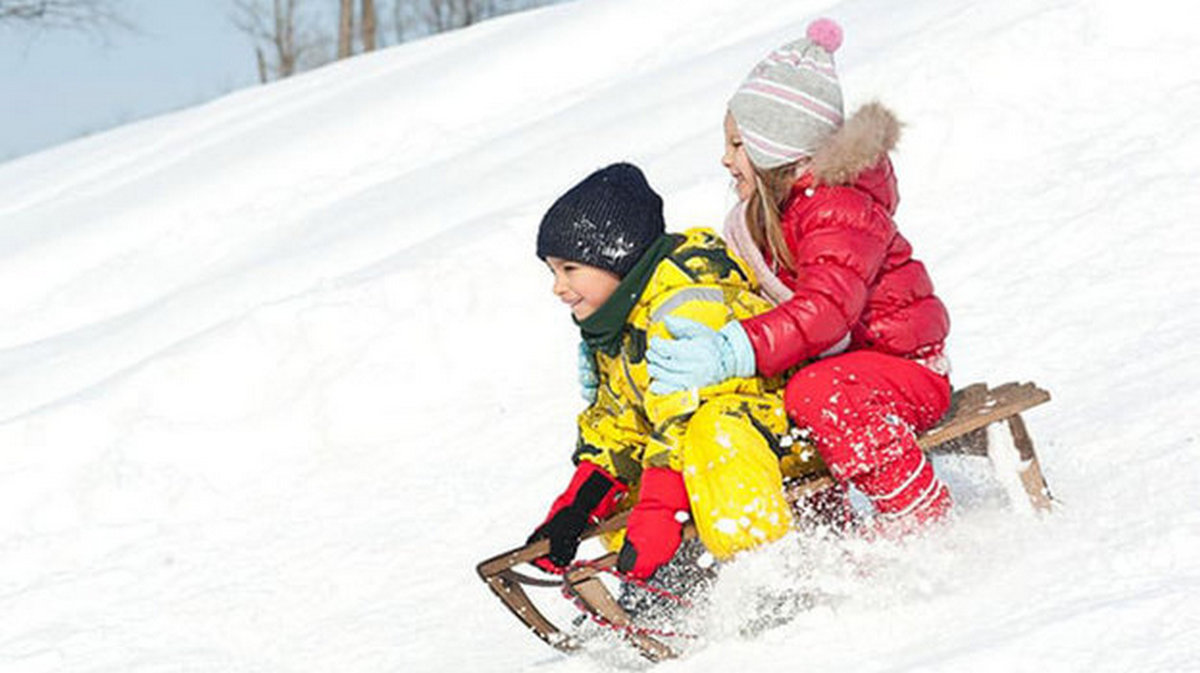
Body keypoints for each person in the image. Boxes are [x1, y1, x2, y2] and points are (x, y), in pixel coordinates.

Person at [647, 19, 954, 532]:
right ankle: (827, 536)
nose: (726, 159)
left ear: (774, 148)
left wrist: (732, 350)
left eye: (738, 145)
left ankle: (917, 515)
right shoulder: (775, 216)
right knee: (776, 400)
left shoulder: (838, 207)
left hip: (906, 371)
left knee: (813, 392)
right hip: (856, 370)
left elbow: (827, 311)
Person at [527, 162, 827, 580]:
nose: (557, 287)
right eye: (553, 271)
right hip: (715, 451)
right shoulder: (616, 324)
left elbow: (684, 418)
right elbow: (619, 428)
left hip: (785, 435)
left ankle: (763, 570)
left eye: (569, 269)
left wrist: (659, 515)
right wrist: (575, 511)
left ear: (617, 255)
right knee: (629, 488)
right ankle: (668, 580)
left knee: (713, 430)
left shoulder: (685, 305)